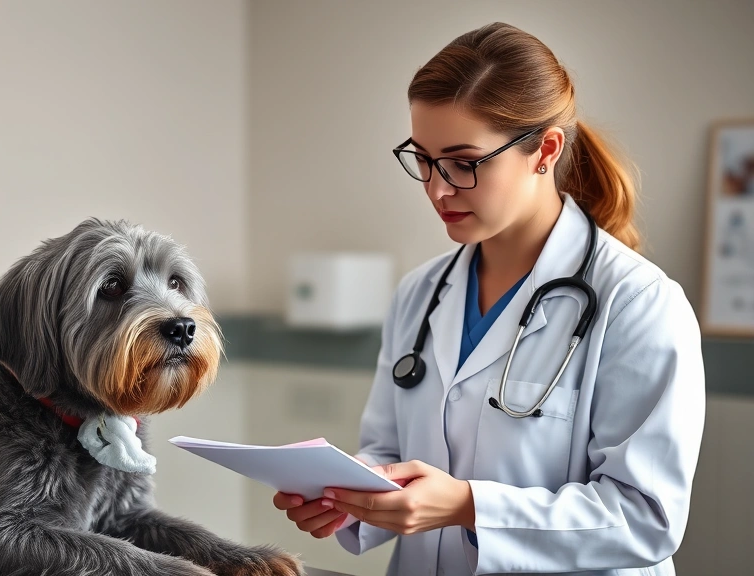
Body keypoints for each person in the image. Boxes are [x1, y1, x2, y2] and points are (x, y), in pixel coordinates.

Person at [272, 22, 705, 576]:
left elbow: (648, 517)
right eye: (423, 159)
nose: (437, 188)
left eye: (464, 163)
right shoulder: (420, 295)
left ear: (545, 150)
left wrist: (467, 505)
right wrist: (344, 495)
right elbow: (386, 451)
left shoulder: (638, 303)